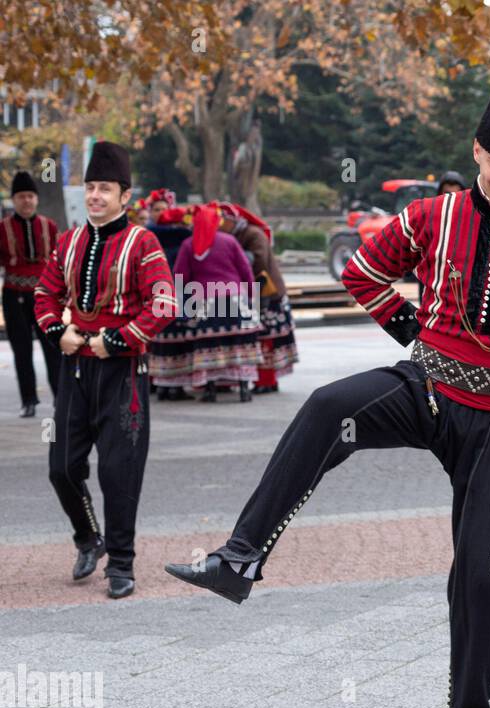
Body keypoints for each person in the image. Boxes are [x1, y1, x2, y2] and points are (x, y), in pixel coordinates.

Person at [163, 72, 490, 708]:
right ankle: (240, 559)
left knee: (486, 573)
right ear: (477, 153)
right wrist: (410, 327)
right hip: (429, 386)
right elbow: (363, 270)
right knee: (326, 407)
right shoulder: (432, 217)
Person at [34, 141, 178, 599]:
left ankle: (121, 563)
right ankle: (87, 538)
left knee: (119, 471)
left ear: (124, 196)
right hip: (74, 373)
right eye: (90, 187)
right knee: (61, 466)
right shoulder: (68, 241)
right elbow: (44, 295)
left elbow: (164, 304)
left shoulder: (144, 242)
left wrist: (111, 341)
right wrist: (59, 332)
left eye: (105, 189)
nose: (95, 196)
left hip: (124, 376)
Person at [149, 203, 262, 403]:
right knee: (239, 344)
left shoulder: (189, 244)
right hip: (236, 300)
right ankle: (245, 388)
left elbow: (180, 276)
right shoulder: (230, 241)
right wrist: (252, 296)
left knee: (209, 346)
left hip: (205, 301)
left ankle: (210, 390)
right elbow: (245, 270)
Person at [216, 202, 297, 395]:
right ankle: (264, 380)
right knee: (259, 337)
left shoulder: (252, 234)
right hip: (252, 293)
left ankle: (267, 380)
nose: (219, 224)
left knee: (266, 338)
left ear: (231, 220)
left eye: (221, 220)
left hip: (266, 293)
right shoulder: (235, 235)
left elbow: (259, 262)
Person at [1, 170, 61, 416]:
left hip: (45, 296)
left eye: (30, 196)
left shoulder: (50, 226)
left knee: (53, 347)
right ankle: (29, 400)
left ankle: (60, 396)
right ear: (14, 200)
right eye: (21, 197)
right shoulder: (2, 229)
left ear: (36, 199)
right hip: (14, 294)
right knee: (21, 349)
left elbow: (59, 262)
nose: (26, 201)